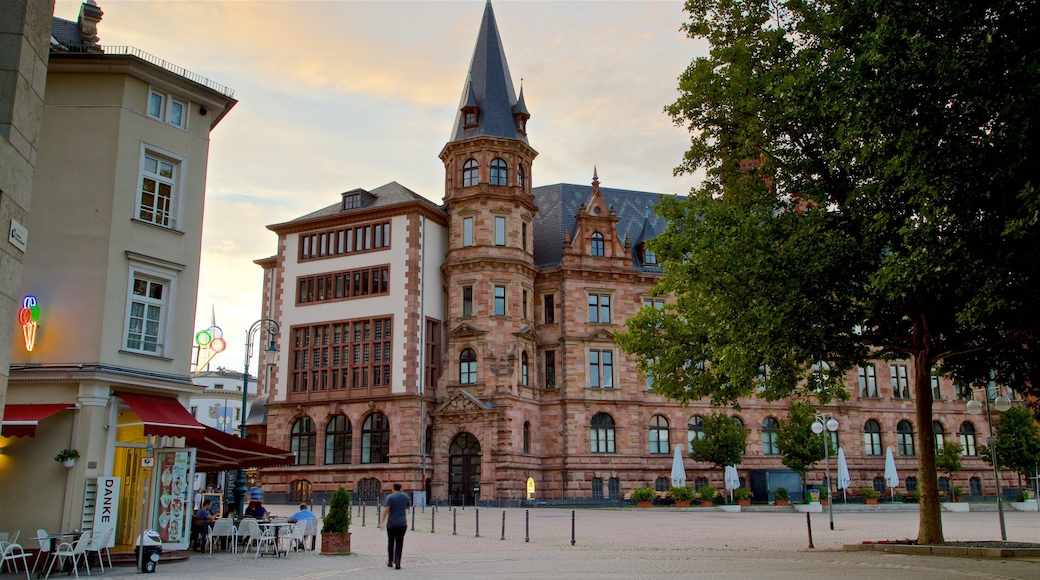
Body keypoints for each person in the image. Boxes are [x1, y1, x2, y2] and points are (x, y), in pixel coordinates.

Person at [380, 483, 411, 569]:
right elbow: (408, 507)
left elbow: (386, 510)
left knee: (391, 542)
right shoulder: (406, 497)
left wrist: (382, 522)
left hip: (392, 523)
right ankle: (398, 562)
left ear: (393, 488)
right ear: (401, 488)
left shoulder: (390, 497)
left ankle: (390, 561)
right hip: (402, 523)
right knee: (399, 543)